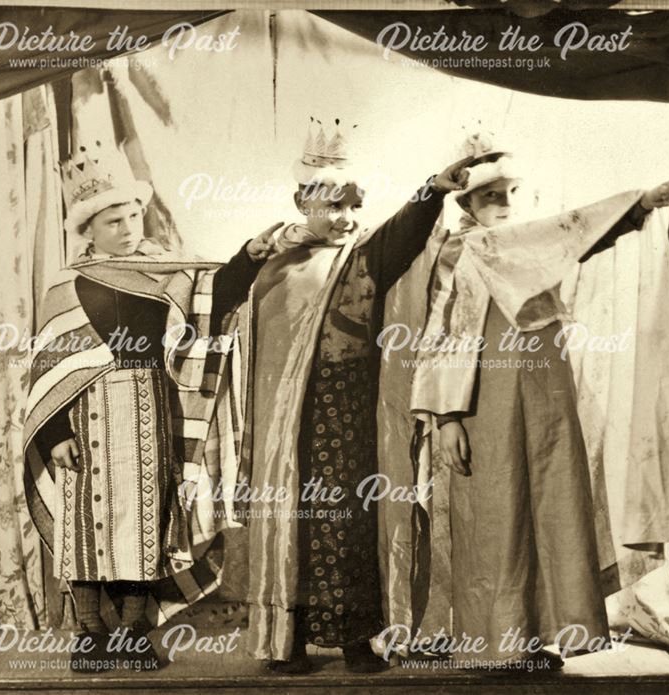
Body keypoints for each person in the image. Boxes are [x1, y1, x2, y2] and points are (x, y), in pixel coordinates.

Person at [409, 130, 669, 671]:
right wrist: (446, 417)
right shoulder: (462, 250)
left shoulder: (524, 246)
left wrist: (643, 206)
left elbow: (576, 237)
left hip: (546, 391)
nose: (506, 204)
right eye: (492, 195)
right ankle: (495, 645)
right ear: (467, 202)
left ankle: (537, 636)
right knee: (498, 509)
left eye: (512, 193)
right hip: (486, 398)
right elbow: (442, 334)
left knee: (552, 501)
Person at [22, 142, 276, 673]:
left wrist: (251, 253)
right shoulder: (66, 287)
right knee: (85, 523)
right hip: (83, 414)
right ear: (88, 230)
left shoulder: (166, 271)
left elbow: (216, 297)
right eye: (113, 220)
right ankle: (89, 633)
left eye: (133, 214)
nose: (128, 227)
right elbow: (46, 369)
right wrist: (52, 436)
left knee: (145, 517)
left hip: (150, 408)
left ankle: (136, 630)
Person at [241, 117, 474, 674]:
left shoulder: (366, 254)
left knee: (351, 521)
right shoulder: (273, 263)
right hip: (287, 422)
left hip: (352, 411)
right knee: (291, 519)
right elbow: (227, 299)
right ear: (302, 202)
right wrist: (253, 248)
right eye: (331, 206)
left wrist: (435, 188)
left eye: (352, 206)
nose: (345, 218)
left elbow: (405, 230)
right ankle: (287, 641)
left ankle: (353, 640)